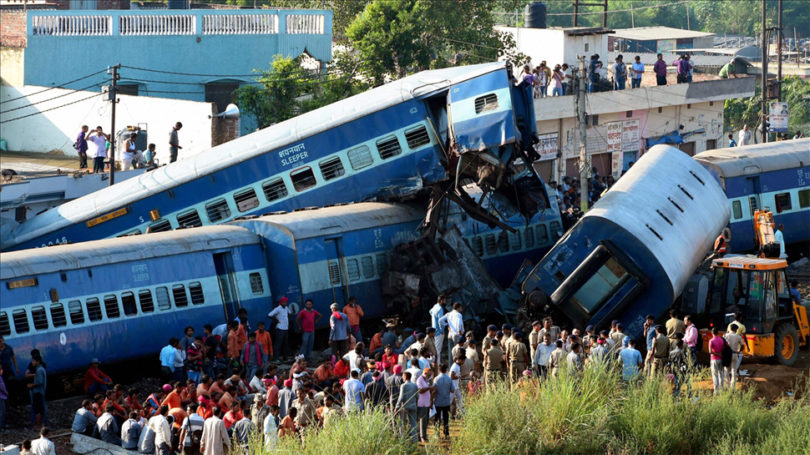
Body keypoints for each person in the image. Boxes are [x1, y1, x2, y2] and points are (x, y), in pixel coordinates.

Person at [396, 371, 419, 443]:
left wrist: (397, 406)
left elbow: (401, 397)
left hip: (405, 407)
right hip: (413, 406)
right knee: (413, 423)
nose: (402, 378)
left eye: (403, 376)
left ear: (405, 377)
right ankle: (414, 439)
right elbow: (417, 396)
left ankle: (402, 439)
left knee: (402, 423)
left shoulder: (403, 386)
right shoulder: (415, 385)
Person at [267, 297, 291, 362]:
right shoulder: (277, 309)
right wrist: (276, 319)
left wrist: (287, 319)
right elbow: (269, 315)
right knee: (278, 344)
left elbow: (289, 313)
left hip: (285, 328)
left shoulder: (286, 308)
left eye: (285, 302)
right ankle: (275, 359)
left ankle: (285, 358)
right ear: (280, 302)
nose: (284, 303)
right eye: (283, 302)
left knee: (285, 344)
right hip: (280, 328)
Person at [28, 355, 46, 428]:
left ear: (37, 362)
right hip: (40, 391)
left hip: (37, 392)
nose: (32, 362)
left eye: (33, 361)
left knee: (37, 409)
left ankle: (38, 425)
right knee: (40, 408)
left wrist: (31, 385)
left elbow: (39, 382)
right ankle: (41, 424)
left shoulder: (38, 370)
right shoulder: (42, 369)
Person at [724, 324, 744, 390]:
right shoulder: (738, 336)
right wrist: (739, 350)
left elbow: (722, 343)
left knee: (726, 370)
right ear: (735, 329)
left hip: (727, 355)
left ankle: (727, 386)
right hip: (735, 354)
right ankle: (733, 387)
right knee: (734, 371)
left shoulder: (725, 335)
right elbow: (742, 346)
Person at [415, 367, 433, 442]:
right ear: (425, 373)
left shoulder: (426, 380)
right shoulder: (419, 380)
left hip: (426, 403)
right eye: (428, 375)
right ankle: (422, 436)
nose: (429, 377)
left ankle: (423, 435)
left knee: (425, 421)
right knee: (422, 420)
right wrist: (429, 388)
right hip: (421, 403)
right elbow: (420, 390)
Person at [708, 327, 727, 394]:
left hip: (714, 359)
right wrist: (721, 353)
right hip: (721, 359)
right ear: (718, 332)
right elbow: (725, 347)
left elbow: (710, 352)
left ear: (712, 333)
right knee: (721, 374)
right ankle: (721, 390)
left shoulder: (711, 341)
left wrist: (717, 353)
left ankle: (716, 391)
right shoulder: (722, 340)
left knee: (715, 375)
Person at [429, 295, 447, 363]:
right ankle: (437, 365)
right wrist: (442, 331)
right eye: (444, 300)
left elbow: (430, 312)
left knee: (435, 349)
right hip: (439, 332)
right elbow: (441, 321)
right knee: (438, 350)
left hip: (434, 330)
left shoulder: (435, 306)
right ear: (441, 300)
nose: (445, 302)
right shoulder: (440, 309)